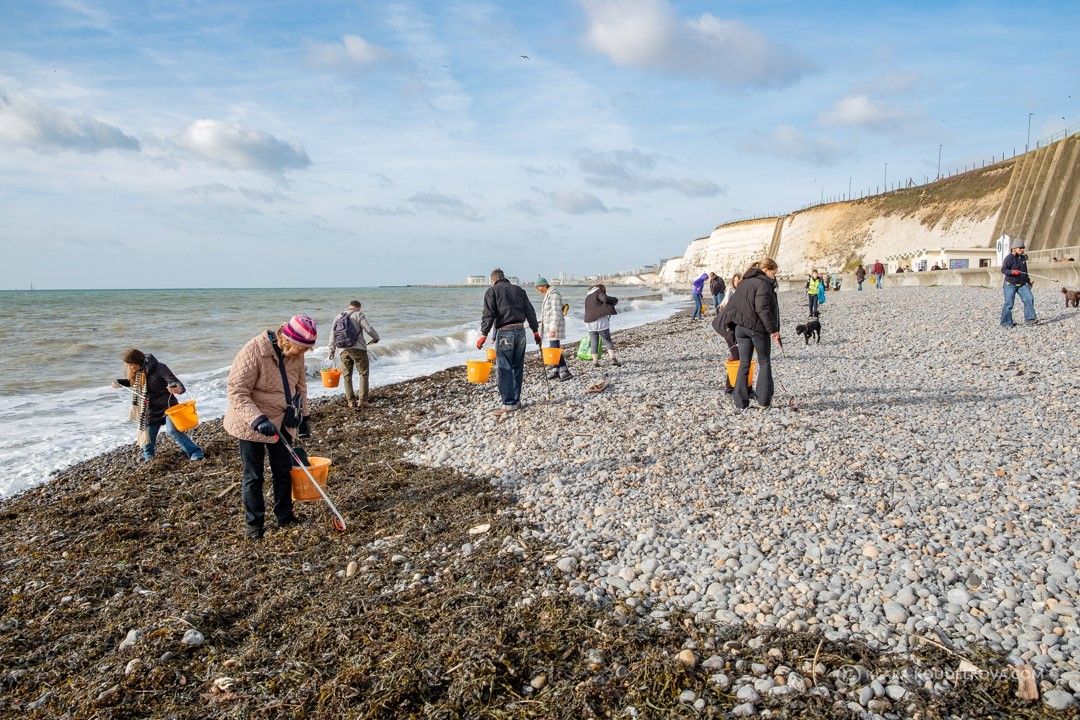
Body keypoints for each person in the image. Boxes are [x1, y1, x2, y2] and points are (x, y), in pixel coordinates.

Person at [224, 315, 316, 540]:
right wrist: (257, 420)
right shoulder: (253, 350)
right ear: (286, 338)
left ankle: (284, 516)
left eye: (307, 349)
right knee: (254, 476)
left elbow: (300, 385)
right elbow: (237, 392)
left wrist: (304, 416)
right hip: (251, 423)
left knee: (283, 471)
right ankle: (254, 525)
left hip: (284, 420)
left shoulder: (297, 355)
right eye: (301, 348)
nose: (302, 353)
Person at [113, 348, 204, 462]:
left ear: (138, 362)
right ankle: (149, 459)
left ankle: (195, 452)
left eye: (131, 365)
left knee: (172, 432)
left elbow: (175, 382)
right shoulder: (139, 371)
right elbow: (132, 382)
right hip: (150, 410)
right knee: (147, 439)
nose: (130, 368)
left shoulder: (160, 367)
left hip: (168, 407)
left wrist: (175, 387)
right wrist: (119, 382)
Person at [475, 269, 540, 417]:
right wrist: (536, 332)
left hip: (505, 332)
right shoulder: (519, 290)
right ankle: (516, 401)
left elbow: (488, 315)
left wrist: (483, 335)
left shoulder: (492, 291)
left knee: (504, 368)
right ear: (504, 278)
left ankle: (509, 404)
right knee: (517, 366)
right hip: (521, 332)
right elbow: (530, 311)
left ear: (493, 280)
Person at [725, 258, 781, 410]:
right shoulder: (763, 284)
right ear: (765, 270)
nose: (774, 276)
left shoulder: (744, 282)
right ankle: (763, 401)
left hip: (740, 328)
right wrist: (773, 330)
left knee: (744, 363)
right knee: (764, 362)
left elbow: (734, 304)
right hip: (756, 329)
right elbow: (762, 309)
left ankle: (740, 402)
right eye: (773, 272)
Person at [328, 300, 380, 410]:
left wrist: (331, 351)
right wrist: (376, 337)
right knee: (364, 374)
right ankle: (363, 401)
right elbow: (368, 329)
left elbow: (332, 335)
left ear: (349, 306)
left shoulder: (337, 317)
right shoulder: (358, 314)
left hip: (342, 350)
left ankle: (351, 401)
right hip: (358, 349)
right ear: (358, 307)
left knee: (347, 376)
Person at [535, 277, 572, 381]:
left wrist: (553, 329)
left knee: (554, 350)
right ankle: (556, 370)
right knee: (553, 349)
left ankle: (565, 372)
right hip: (550, 327)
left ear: (544, 285)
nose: (538, 290)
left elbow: (556, 313)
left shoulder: (554, 295)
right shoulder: (548, 295)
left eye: (538, 287)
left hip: (554, 327)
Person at [1000, 238, 1038, 327]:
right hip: (1010, 284)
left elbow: (1025, 271)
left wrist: (1028, 281)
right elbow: (1003, 270)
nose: (1022, 249)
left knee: (1029, 298)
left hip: (1022, 284)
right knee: (1009, 303)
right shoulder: (1009, 258)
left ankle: (1030, 319)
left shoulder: (1023, 258)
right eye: (1020, 248)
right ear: (1014, 248)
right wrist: (1012, 272)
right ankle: (1006, 322)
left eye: (1023, 248)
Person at [583, 282, 621, 367]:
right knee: (607, 340)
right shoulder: (598, 292)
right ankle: (612, 358)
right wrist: (615, 300)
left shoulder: (588, 296)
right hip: (599, 322)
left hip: (588, 322)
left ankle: (595, 362)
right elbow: (605, 299)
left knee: (594, 342)